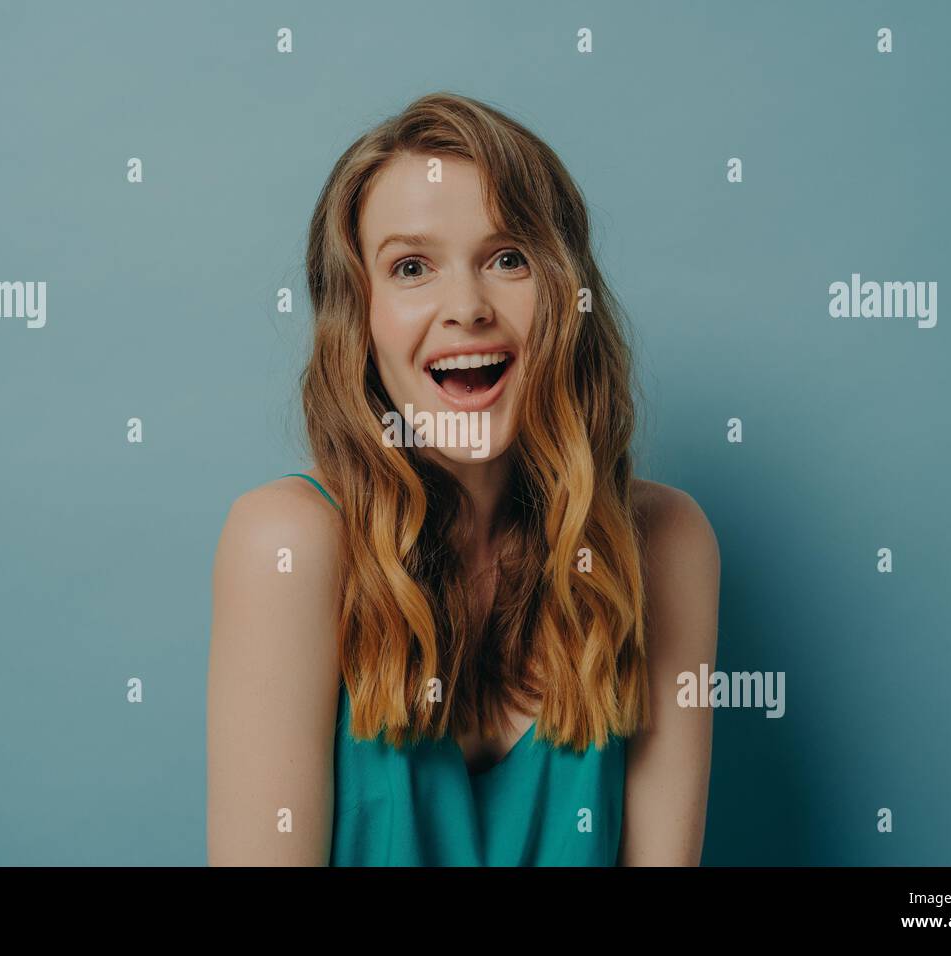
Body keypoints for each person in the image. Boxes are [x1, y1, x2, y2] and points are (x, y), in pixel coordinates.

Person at [207, 91, 720, 866]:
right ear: (361, 320)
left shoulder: (665, 543)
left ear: (566, 295)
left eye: (508, 258)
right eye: (411, 267)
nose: (467, 308)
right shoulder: (287, 542)